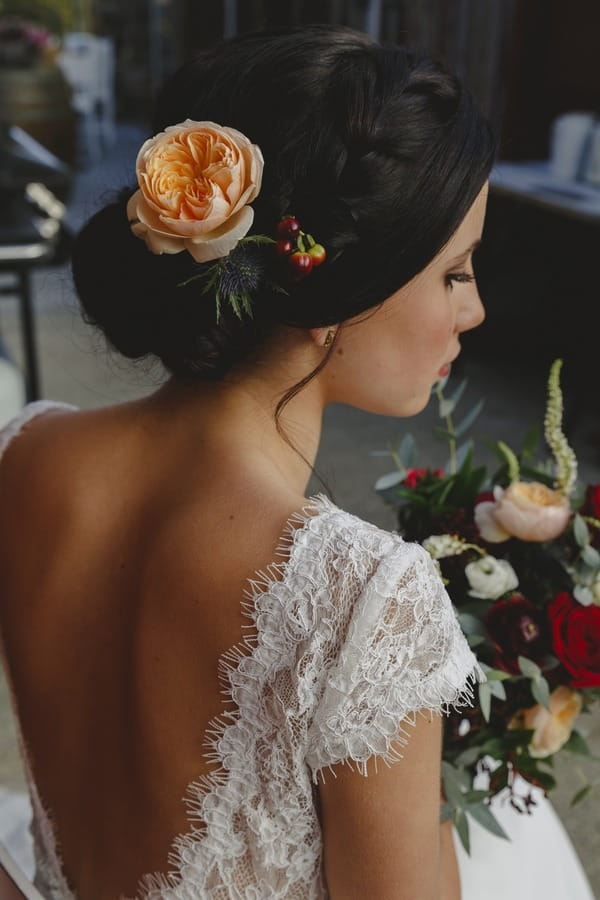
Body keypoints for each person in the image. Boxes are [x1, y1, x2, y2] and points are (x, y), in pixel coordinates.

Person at [0, 24, 592, 900]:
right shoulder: (364, 595)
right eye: (455, 272)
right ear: (336, 289)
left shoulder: (25, 452)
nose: (474, 311)